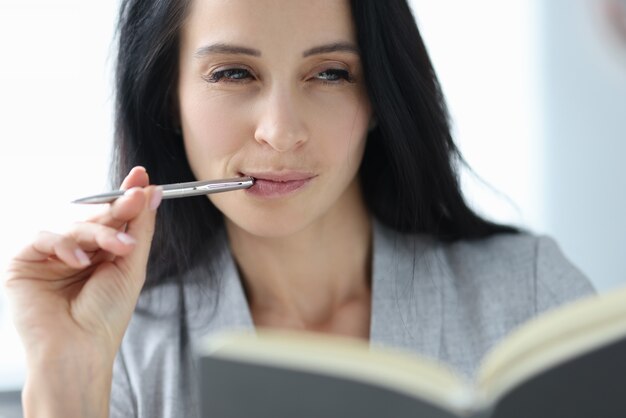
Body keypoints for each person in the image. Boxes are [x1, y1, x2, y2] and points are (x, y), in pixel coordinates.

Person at [3, 0, 595, 417]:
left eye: (331, 74)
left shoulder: (533, 297)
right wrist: (62, 376)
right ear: (167, 98)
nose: (281, 133)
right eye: (233, 73)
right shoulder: (126, 352)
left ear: (380, 97)